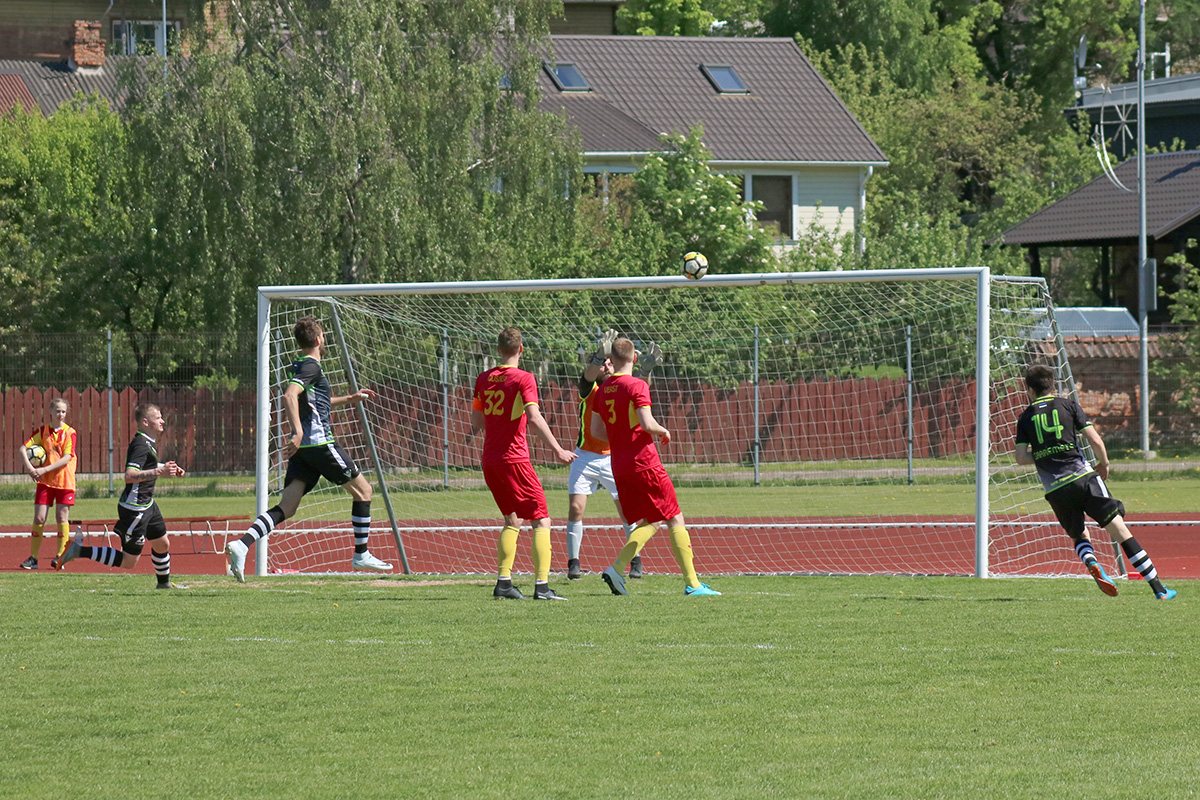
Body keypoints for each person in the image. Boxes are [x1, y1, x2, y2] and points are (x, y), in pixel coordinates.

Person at [225, 316, 392, 582]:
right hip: (318, 443)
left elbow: (316, 401)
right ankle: (361, 554)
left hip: (304, 451)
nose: (324, 339)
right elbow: (289, 395)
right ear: (317, 339)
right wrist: (298, 431)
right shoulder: (311, 366)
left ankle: (242, 544)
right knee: (364, 491)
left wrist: (350, 398)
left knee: (287, 507)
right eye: (323, 335)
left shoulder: (301, 365)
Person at [1014, 365, 1176, 600]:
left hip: (1056, 489)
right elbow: (1095, 440)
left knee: (1079, 536)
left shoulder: (1025, 417)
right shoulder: (1068, 405)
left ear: (1029, 390)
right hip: (1083, 478)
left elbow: (1021, 458)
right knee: (1121, 531)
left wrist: (1045, 455)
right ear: (1053, 386)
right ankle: (1159, 589)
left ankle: (1092, 562)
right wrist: (1105, 464)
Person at [590, 337, 719, 597]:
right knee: (674, 516)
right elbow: (647, 423)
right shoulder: (637, 385)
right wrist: (663, 431)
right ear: (635, 358)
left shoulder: (602, 390)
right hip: (644, 462)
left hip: (620, 465)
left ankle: (616, 569)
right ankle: (693, 584)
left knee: (654, 519)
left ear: (611, 360)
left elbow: (596, 431)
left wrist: (621, 437)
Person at [471, 326, 576, 600]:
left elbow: (477, 421)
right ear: (521, 349)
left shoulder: (483, 379)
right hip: (514, 459)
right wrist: (558, 450)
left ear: (498, 350)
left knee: (512, 520)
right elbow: (534, 417)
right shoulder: (524, 378)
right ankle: (542, 587)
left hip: (490, 459)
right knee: (541, 520)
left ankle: (504, 583)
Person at [565, 330, 663, 580]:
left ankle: (635, 560)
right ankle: (573, 562)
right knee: (576, 508)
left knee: (627, 511)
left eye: (610, 362)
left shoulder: (618, 386)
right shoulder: (590, 387)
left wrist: (646, 371)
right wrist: (599, 357)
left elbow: (638, 389)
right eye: (603, 363)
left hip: (613, 457)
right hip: (585, 456)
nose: (607, 366)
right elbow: (588, 375)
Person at [57, 403, 187, 589]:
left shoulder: (147, 441)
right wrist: (160, 472)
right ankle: (78, 550)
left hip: (148, 505)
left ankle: (164, 585)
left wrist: (167, 467)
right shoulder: (141, 445)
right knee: (129, 561)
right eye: (158, 418)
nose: (162, 421)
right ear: (145, 421)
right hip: (135, 509)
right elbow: (130, 475)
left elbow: (147, 466)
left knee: (162, 544)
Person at [18, 398, 77, 570]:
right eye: (57, 411)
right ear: (50, 411)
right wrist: (31, 469)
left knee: (61, 517)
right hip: (45, 482)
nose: (60, 414)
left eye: (63, 411)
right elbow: (22, 449)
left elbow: (67, 458)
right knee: (39, 517)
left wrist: (43, 469)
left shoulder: (70, 432)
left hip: (65, 480)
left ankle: (60, 557)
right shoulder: (43, 431)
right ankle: (33, 559)